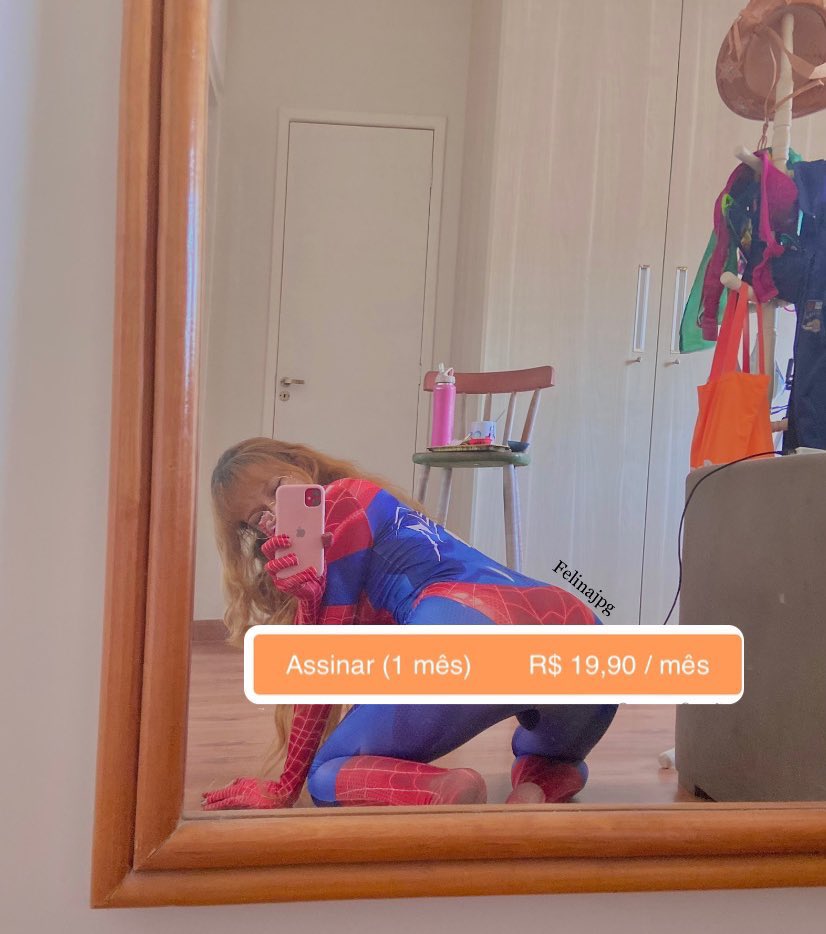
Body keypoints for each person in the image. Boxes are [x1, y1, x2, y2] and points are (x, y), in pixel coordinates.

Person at [202, 437, 616, 810]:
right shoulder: (390, 514)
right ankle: (537, 788)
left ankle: (445, 789)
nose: (275, 512)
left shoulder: (339, 503)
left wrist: (284, 788)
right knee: (547, 754)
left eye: (278, 489)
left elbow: (320, 671)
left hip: (467, 633)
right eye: (259, 518)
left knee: (327, 775)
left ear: (303, 468)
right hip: (580, 631)